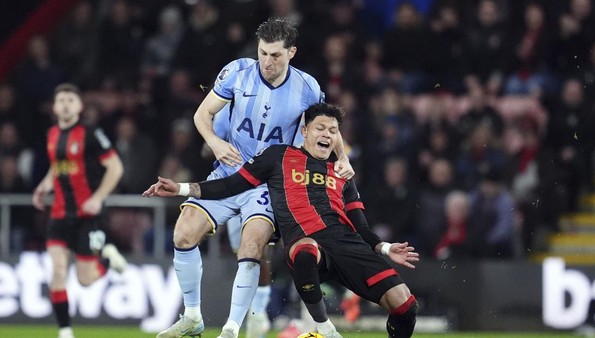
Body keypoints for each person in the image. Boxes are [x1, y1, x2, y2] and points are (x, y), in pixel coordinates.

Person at [144, 103, 419, 338]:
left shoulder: (341, 172)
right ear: (304, 131)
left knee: (406, 307)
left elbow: (360, 225)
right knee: (306, 250)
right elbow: (230, 185)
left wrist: (384, 248)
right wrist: (180, 188)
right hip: (307, 243)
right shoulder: (279, 157)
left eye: (333, 131)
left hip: (347, 245)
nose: (327, 135)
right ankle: (324, 329)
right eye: (320, 128)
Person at [153, 17, 354, 338]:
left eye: (275, 55)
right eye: (263, 53)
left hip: (269, 182)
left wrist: (342, 158)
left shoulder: (307, 87)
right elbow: (202, 114)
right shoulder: (237, 72)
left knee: (251, 247)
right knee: (183, 234)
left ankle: (232, 329)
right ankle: (192, 317)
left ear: (292, 53)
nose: (267, 62)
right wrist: (216, 142)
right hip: (229, 171)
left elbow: (328, 126)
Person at [32, 83, 127, 338]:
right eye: (60, 100)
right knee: (59, 271)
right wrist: (43, 186)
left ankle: (106, 258)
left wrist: (98, 198)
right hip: (60, 215)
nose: (65, 104)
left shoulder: (90, 132)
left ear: (80, 106)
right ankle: (65, 331)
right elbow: (57, 167)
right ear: (54, 106)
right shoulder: (52, 133)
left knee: (85, 280)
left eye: (70, 100)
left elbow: (116, 167)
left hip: (89, 215)